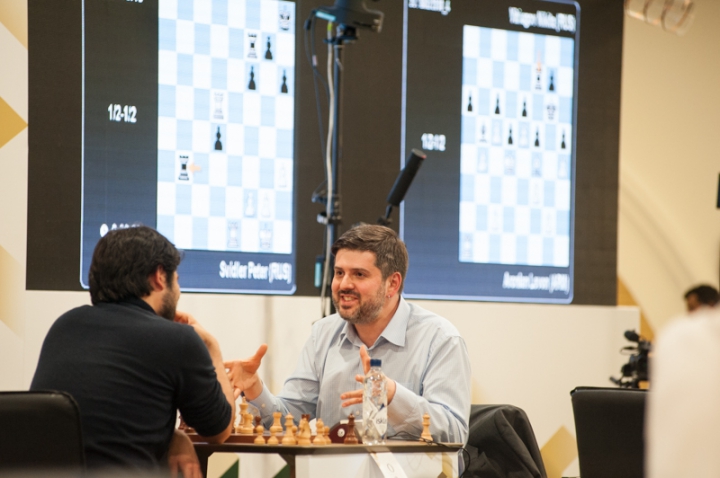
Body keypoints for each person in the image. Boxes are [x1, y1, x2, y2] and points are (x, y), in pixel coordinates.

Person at [225, 225, 471, 443]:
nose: (343, 285)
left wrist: (394, 396)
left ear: (393, 284)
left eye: (359, 274)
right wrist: (255, 389)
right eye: (339, 273)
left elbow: (455, 433)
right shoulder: (323, 334)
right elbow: (289, 420)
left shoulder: (440, 340)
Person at [31, 226, 234, 474]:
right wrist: (212, 348)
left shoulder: (63, 327)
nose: (179, 292)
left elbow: (102, 423)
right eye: (177, 280)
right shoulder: (178, 339)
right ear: (159, 277)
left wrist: (173, 436)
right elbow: (219, 431)